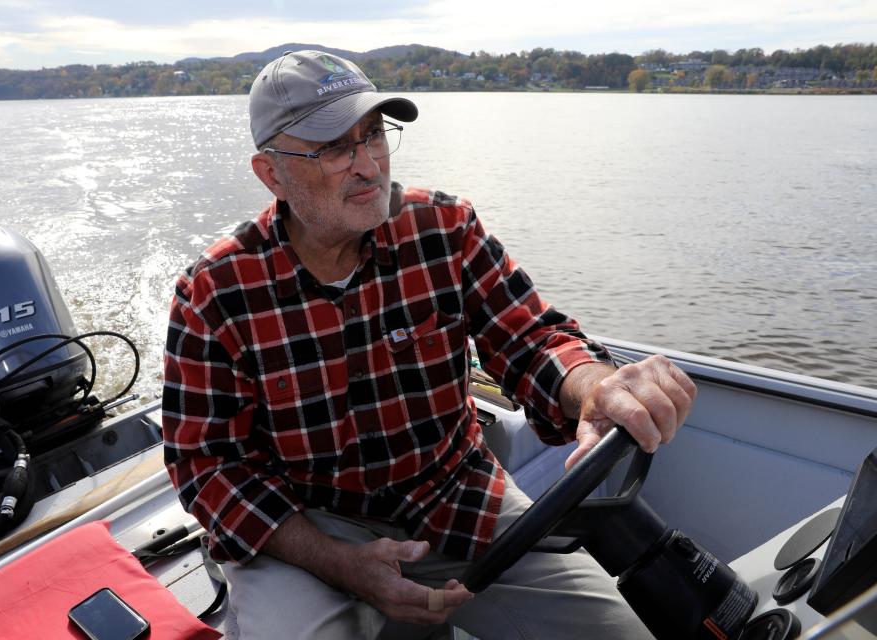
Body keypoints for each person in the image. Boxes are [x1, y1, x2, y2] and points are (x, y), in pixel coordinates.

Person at [162, 50, 696, 639]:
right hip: (305, 529)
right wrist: (341, 563)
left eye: (374, 136)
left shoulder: (445, 228)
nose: (368, 165)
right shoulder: (215, 292)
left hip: (455, 497)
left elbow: (532, 338)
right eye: (336, 148)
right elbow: (206, 465)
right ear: (271, 173)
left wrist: (596, 386)